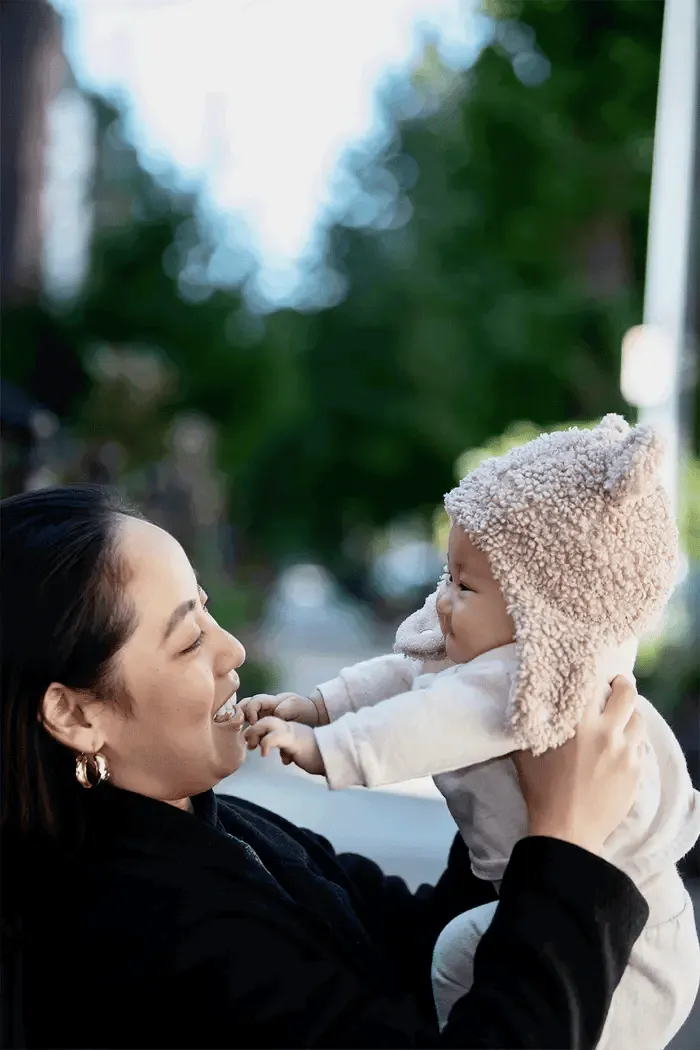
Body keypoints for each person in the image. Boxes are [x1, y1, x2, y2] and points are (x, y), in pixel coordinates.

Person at [1, 484, 651, 1050]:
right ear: (75, 715)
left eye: (207, 609)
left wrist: (507, 791)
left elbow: (419, 946)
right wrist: (564, 840)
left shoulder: (221, 826)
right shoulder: (139, 935)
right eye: (189, 639)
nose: (233, 648)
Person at [243, 415, 700, 1049]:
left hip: (627, 939)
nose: (442, 602)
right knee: (461, 947)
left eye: (465, 585)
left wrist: (328, 748)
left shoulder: (531, 674)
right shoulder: (485, 651)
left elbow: (424, 721)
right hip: (586, 907)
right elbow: (403, 676)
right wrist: (319, 706)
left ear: (541, 600)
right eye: (446, 576)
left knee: (461, 956)